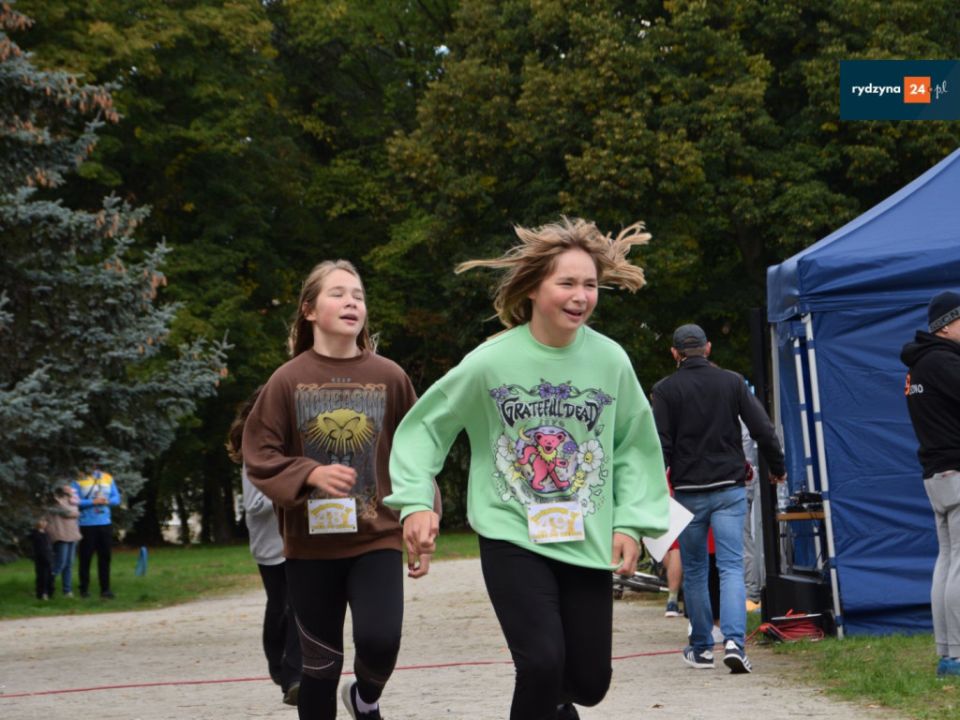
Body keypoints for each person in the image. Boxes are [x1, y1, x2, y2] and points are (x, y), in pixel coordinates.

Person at [386, 217, 670, 720]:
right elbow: (426, 427)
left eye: (590, 284)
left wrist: (629, 523)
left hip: (586, 536)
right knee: (540, 663)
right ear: (534, 288)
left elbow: (634, 446)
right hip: (512, 532)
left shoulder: (611, 361)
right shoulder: (489, 362)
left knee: (588, 682)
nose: (580, 296)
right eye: (567, 283)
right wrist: (414, 500)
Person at [243, 259, 434, 720]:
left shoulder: (390, 376)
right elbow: (259, 454)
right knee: (320, 667)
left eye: (359, 295)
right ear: (309, 310)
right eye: (338, 294)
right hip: (310, 547)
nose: (352, 302)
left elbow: (417, 453)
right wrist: (309, 473)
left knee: (381, 641)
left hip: (376, 536)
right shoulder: (287, 380)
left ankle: (365, 698)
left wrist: (421, 515)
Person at [651, 324, 785, 674]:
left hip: (688, 492)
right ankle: (735, 643)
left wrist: (654, 489)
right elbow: (762, 428)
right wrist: (778, 468)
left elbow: (660, 445)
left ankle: (701, 648)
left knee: (695, 570)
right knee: (731, 567)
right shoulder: (732, 382)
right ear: (708, 348)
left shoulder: (664, 390)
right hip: (729, 487)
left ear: (674, 353)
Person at [227, 386, 302, 706]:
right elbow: (255, 505)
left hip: (296, 538)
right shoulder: (254, 449)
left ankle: (295, 677)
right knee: (280, 605)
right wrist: (293, 486)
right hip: (269, 543)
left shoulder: (295, 442)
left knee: (299, 606)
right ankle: (276, 661)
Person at [901, 290, 960, 677]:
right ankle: (956, 655)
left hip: (936, 473)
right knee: (957, 563)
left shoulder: (920, 365)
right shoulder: (944, 362)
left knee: (948, 560)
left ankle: (948, 653)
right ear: (946, 325)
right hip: (956, 469)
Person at [72, 469, 121, 599]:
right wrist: (93, 502)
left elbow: (117, 498)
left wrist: (106, 501)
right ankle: (84, 589)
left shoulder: (107, 477)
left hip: (105, 523)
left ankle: (105, 589)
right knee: (85, 558)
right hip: (86, 525)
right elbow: (75, 501)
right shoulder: (79, 479)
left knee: (105, 558)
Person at [47, 484, 81, 598]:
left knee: (69, 564)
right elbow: (69, 512)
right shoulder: (54, 499)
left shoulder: (72, 499)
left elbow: (75, 510)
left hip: (72, 533)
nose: (70, 488)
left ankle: (67, 590)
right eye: (67, 486)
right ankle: (46, 585)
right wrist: (76, 512)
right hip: (61, 534)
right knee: (60, 563)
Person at [30, 515, 54, 600]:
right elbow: (38, 548)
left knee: (49, 576)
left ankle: (49, 592)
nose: (43, 523)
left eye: (45, 521)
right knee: (42, 577)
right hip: (41, 558)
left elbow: (49, 546)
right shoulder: (35, 534)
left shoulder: (46, 534)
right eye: (41, 521)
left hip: (48, 557)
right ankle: (42, 593)